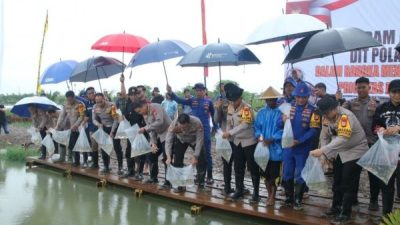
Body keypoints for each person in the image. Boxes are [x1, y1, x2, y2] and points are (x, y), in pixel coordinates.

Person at [310, 95, 368, 225]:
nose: (324, 115)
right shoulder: (326, 117)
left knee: (348, 182)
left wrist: (324, 150)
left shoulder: (345, 117)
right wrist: (323, 155)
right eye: (323, 113)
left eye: (326, 112)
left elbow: (343, 138)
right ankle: (335, 207)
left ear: (335, 108)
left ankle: (345, 214)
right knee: (337, 181)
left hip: (355, 151)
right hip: (339, 152)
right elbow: (324, 136)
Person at [277, 82, 318, 210]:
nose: (300, 99)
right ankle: (289, 198)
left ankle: (298, 199)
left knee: (300, 173)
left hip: (303, 148)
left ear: (308, 97)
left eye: (304, 97)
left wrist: (300, 140)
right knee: (287, 173)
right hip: (288, 148)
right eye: (298, 97)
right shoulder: (287, 107)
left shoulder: (313, 110)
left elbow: (314, 130)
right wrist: (282, 120)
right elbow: (278, 124)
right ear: (295, 96)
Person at [342, 77, 379, 211]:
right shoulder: (350, 103)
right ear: (355, 88)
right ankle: (353, 199)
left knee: (373, 174)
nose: (361, 90)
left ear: (369, 87)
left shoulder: (377, 103)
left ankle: (373, 200)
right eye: (358, 87)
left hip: (372, 143)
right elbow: (339, 112)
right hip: (355, 144)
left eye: (363, 87)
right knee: (353, 174)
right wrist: (339, 100)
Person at [167, 83, 215, 184]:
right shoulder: (192, 100)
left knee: (207, 153)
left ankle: (209, 176)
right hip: (192, 128)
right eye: (197, 90)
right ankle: (198, 176)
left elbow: (214, 116)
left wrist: (217, 128)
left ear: (204, 91)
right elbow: (179, 100)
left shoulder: (209, 102)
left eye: (201, 90)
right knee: (197, 152)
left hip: (204, 129)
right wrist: (171, 92)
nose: (199, 92)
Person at [220, 83, 259, 203]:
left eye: (234, 100)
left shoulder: (246, 108)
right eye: (231, 100)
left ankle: (256, 193)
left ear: (240, 98)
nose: (232, 102)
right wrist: (226, 132)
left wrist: (230, 132)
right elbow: (229, 122)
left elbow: (245, 124)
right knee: (238, 167)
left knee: (252, 168)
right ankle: (239, 190)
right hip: (237, 142)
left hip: (249, 142)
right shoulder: (231, 107)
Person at [369, 79, 400, 222]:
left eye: (399, 92)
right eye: (394, 92)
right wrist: (379, 129)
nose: (397, 95)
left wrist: (398, 128)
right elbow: (374, 126)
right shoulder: (381, 108)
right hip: (387, 154)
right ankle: (387, 215)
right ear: (389, 93)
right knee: (386, 186)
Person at [254, 87, 283, 206]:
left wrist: (273, 138)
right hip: (263, 147)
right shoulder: (261, 112)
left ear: (276, 99)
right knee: (264, 174)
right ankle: (269, 193)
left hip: (276, 149)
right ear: (265, 100)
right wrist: (260, 137)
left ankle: (272, 196)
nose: (270, 102)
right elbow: (256, 127)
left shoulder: (281, 112)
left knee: (274, 175)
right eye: (268, 100)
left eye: (273, 99)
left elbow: (283, 129)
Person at [165, 113, 207, 192]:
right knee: (177, 160)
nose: (183, 128)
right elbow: (168, 140)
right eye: (181, 126)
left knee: (202, 160)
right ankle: (180, 185)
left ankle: (201, 183)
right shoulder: (174, 123)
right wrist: (168, 155)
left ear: (189, 122)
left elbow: (199, 140)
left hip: (194, 140)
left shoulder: (197, 123)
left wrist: (196, 156)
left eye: (184, 126)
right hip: (181, 140)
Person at [132, 100, 172, 185]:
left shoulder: (155, 107)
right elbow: (151, 130)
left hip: (168, 132)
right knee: (151, 154)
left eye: (139, 111)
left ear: (144, 105)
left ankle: (168, 182)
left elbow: (159, 121)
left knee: (166, 156)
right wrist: (153, 143)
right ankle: (153, 178)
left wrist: (145, 128)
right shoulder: (145, 114)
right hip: (158, 135)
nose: (140, 113)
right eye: (138, 112)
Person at [119, 76, 147, 180]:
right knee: (129, 151)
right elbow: (123, 94)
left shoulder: (143, 103)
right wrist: (122, 82)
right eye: (131, 95)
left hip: (141, 131)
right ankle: (130, 170)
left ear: (138, 94)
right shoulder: (129, 105)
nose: (132, 97)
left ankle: (139, 173)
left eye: (134, 94)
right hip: (131, 131)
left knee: (140, 153)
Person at [92, 93, 122, 174]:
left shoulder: (112, 105)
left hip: (114, 127)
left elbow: (116, 119)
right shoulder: (95, 107)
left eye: (100, 101)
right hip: (103, 127)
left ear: (104, 99)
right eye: (97, 101)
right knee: (104, 148)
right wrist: (98, 124)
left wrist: (112, 131)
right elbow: (94, 119)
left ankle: (120, 167)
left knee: (117, 147)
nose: (99, 103)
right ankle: (106, 166)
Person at [55, 91, 85, 164]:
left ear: (74, 97)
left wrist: (76, 125)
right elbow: (62, 116)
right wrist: (57, 125)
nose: (69, 101)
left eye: (71, 99)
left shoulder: (80, 104)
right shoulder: (66, 105)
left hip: (78, 127)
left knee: (74, 144)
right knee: (63, 141)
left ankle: (74, 160)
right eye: (68, 99)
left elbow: (82, 116)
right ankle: (62, 158)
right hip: (68, 127)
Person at [82, 87, 99, 168]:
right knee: (94, 146)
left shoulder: (100, 102)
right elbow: (86, 116)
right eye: (89, 93)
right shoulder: (87, 104)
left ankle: (107, 166)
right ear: (87, 95)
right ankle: (95, 163)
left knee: (105, 147)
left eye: (93, 92)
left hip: (103, 127)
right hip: (92, 128)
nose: (92, 94)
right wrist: (82, 123)